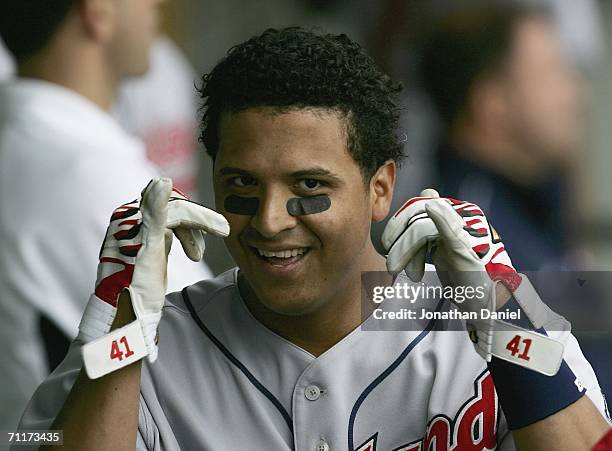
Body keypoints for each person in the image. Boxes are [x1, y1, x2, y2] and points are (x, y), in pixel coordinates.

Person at [17, 27, 610, 451]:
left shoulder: (485, 315)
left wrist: (508, 324)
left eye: (308, 184)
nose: (271, 219)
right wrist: (119, 337)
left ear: (380, 189)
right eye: (243, 183)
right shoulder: (141, 342)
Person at [0, 0, 212, 434]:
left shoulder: (32, 141)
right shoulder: (85, 170)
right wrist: (380, 291)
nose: (156, 5)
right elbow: (217, 351)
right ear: (97, 11)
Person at [421, 2, 583, 271]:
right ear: (493, 103)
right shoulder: (468, 250)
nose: (575, 95)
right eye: (554, 74)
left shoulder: (532, 204)